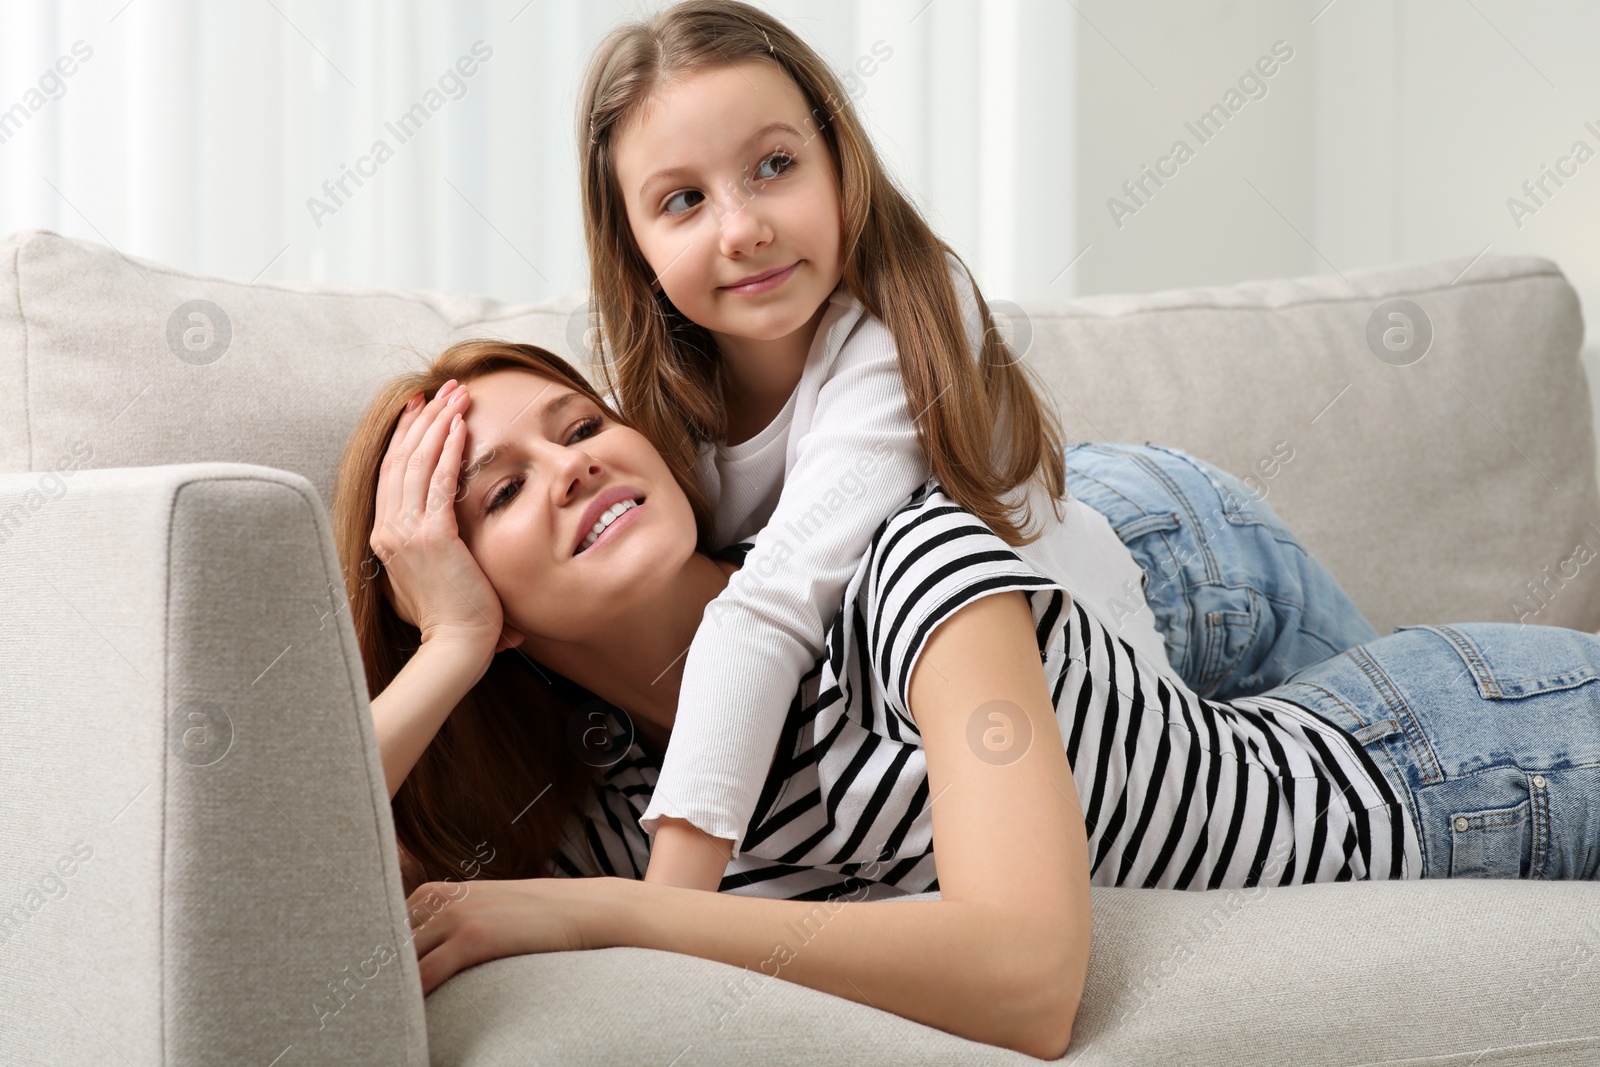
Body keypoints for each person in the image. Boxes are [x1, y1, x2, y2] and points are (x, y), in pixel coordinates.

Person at [331, 342, 1600, 1058]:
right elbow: (286, 896)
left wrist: (614, 916)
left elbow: (1028, 981)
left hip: (1438, 754)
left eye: (577, 423)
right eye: (497, 493)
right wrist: (446, 644)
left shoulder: (904, 568)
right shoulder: (595, 797)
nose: (570, 466)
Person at [573, 0, 1117, 890]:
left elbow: (773, 599)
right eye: (683, 200)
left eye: (774, 165)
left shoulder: (906, 323)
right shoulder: (640, 407)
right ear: (631, 247)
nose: (741, 228)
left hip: (1172, 557)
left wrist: (662, 921)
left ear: (839, 162)